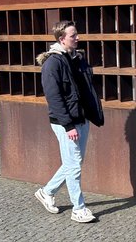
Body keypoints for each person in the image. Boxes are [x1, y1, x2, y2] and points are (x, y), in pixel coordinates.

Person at [34, 21, 104, 224]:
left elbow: (85, 90)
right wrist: (68, 126)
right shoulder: (52, 64)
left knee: (74, 163)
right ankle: (78, 208)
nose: (78, 38)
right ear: (61, 38)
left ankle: (46, 192)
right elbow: (54, 98)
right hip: (66, 123)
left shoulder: (77, 59)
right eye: (73, 35)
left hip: (81, 119)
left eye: (77, 34)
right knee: (74, 166)